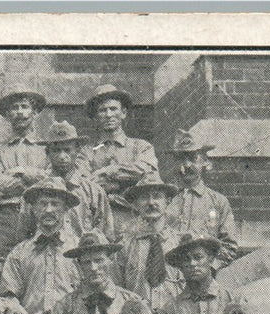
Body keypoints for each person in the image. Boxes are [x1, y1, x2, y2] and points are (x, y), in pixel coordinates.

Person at [0, 179, 80, 314]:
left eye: (55, 204)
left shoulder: (79, 249)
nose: (48, 210)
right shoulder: (19, 253)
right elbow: (8, 296)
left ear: (65, 209)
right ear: (34, 209)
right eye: (43, 204)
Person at [48, 230, 136, 314]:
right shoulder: (65, 306)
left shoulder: (129, 301)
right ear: (78, 266)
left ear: (110, 260)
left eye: (99, 260)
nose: (94, 268)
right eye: (87, 262)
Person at [0, 85, 50, 257]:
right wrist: (34, 178)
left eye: (25, 107)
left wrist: (20, 171)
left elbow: (50, 180)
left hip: (39, 215)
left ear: (34, 112)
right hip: (6, 218)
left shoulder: (47, 148)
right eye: (14, 107)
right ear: (7, 115)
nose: (20, 112)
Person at [83, 84, 158, 227]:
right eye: (102, 110)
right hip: (98, 222)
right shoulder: (87, 151)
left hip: (136, 221)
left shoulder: (141, 147)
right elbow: (84, 183)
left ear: (123, 113)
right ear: (95, 117)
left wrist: (108, 172)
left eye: (113, 109)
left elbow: (146, 171)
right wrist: (125, 179)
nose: (109, 115)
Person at [165, 130, 239, 265]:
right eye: (181, 158)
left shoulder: (218, 202)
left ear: (205, 161)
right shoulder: (162, 199)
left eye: (193, 158)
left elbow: (229, 247)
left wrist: (208, 270)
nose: (186, 165)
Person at [115, 172, 184, 313]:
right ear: (135, 204)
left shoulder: (182, 244)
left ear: (168, 201)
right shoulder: (124, 246)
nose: (151, 203)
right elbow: (116, 291)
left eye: (157, 196)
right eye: (144, 197)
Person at [160, 231, 235, 314]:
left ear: (210, 259)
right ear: (180, 267)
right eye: (186, 259)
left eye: (198, 257)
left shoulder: (231, 301)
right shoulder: (170, 310)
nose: (192, 264)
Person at [44, 120, 112, 240]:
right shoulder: (37, 191)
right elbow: (25, 235)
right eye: (56, 150)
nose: (62, 156)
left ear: (77, 151)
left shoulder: (93, 192)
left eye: (67, 150)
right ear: (47, 153)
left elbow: (106, 235)